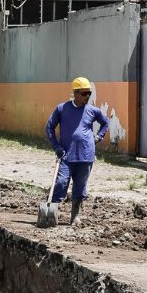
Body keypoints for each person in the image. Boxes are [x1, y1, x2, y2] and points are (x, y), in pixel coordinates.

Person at [44, 77, 110, 224]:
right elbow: (49, 127)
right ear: (75, 93)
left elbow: (105, 122)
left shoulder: (93, 111)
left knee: (80, 188)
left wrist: (99, 137)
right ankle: (51, 213)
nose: (87, 96)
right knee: (61, 183)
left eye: (89, 93)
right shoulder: (62, 108)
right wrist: (57, 147)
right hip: (66, 156)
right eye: (84, 93)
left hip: (86, 156)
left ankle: (75, 216)